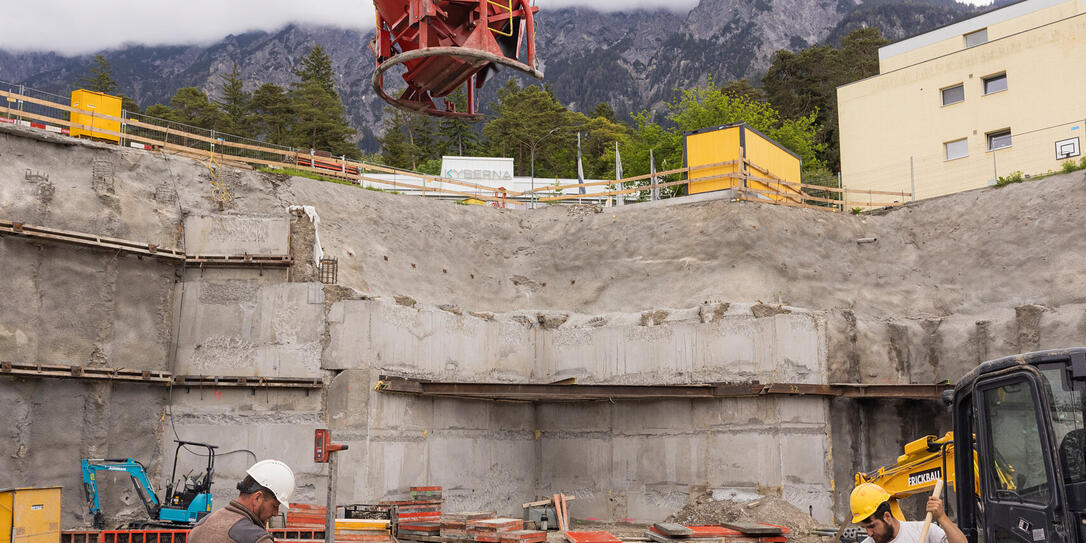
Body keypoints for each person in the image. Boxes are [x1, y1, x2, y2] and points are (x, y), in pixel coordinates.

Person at [189, 460, 296, 543]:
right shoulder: (257, 539)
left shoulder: (201, 525)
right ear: (258, 498)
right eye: (274, 506)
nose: (276, 513)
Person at [850, 483, 967, 543]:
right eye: (865, 528)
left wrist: (941, 517)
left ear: (887, 516)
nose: (869, 533)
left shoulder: (923, 531)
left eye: (872, 526)